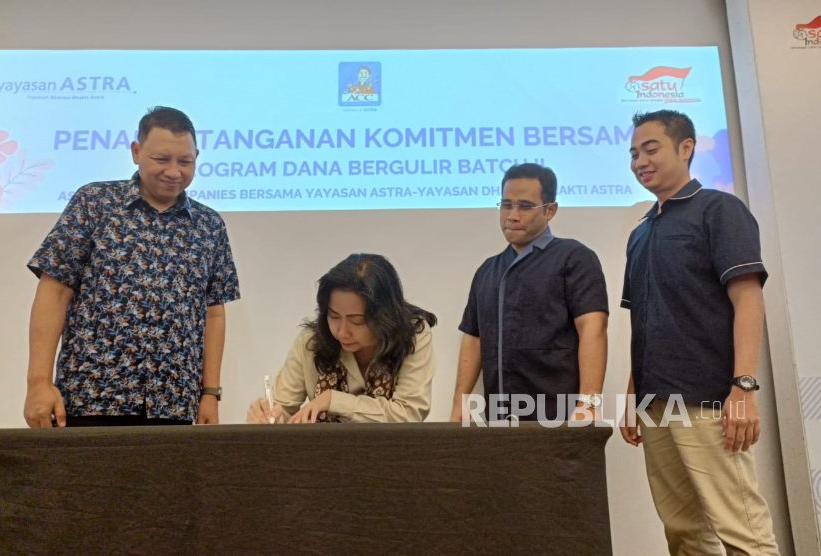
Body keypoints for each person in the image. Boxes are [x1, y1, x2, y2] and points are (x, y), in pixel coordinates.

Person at [620, 109, 779, 555]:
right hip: (656, 404)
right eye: (633, 154)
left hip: (708, 399)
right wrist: (633, 397)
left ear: (686, 147)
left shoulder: (718, 209)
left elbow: (749, 299)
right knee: (684, 533)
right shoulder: (640, 233)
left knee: (743, 532)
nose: (640, 161)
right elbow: (644, 321)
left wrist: (743, 387)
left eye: (650, 149)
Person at [24, 106, 240, 427]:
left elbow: (213, 313)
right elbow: (54, 291)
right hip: (91, 397)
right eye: (161, 159)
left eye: (185, 162)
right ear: (136, 152)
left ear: (197, 157)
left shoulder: (209, 225)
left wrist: (210, 392)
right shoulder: (94, 203)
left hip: (173, 403)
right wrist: (38, 383)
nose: (173, 171)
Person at [450, 163, 608, 423]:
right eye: (506, 205)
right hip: (500, 419)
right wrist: (460, 402)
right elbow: (474, 338)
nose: (512, 215)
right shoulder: (488, 270)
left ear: (550, 210)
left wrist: (589, 402)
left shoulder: (574, 257)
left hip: (559, 417)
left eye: (525, 206)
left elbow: (593, 327)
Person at [247, 253, 436, 424]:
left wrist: (333, 400)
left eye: (357, 321)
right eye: (334, 316)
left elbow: (408, 414)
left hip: (390, 450)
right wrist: (267, 417)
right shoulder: (311, 342)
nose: (342, 332)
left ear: (384, 317)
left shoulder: (412, 334)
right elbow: (283, 410)